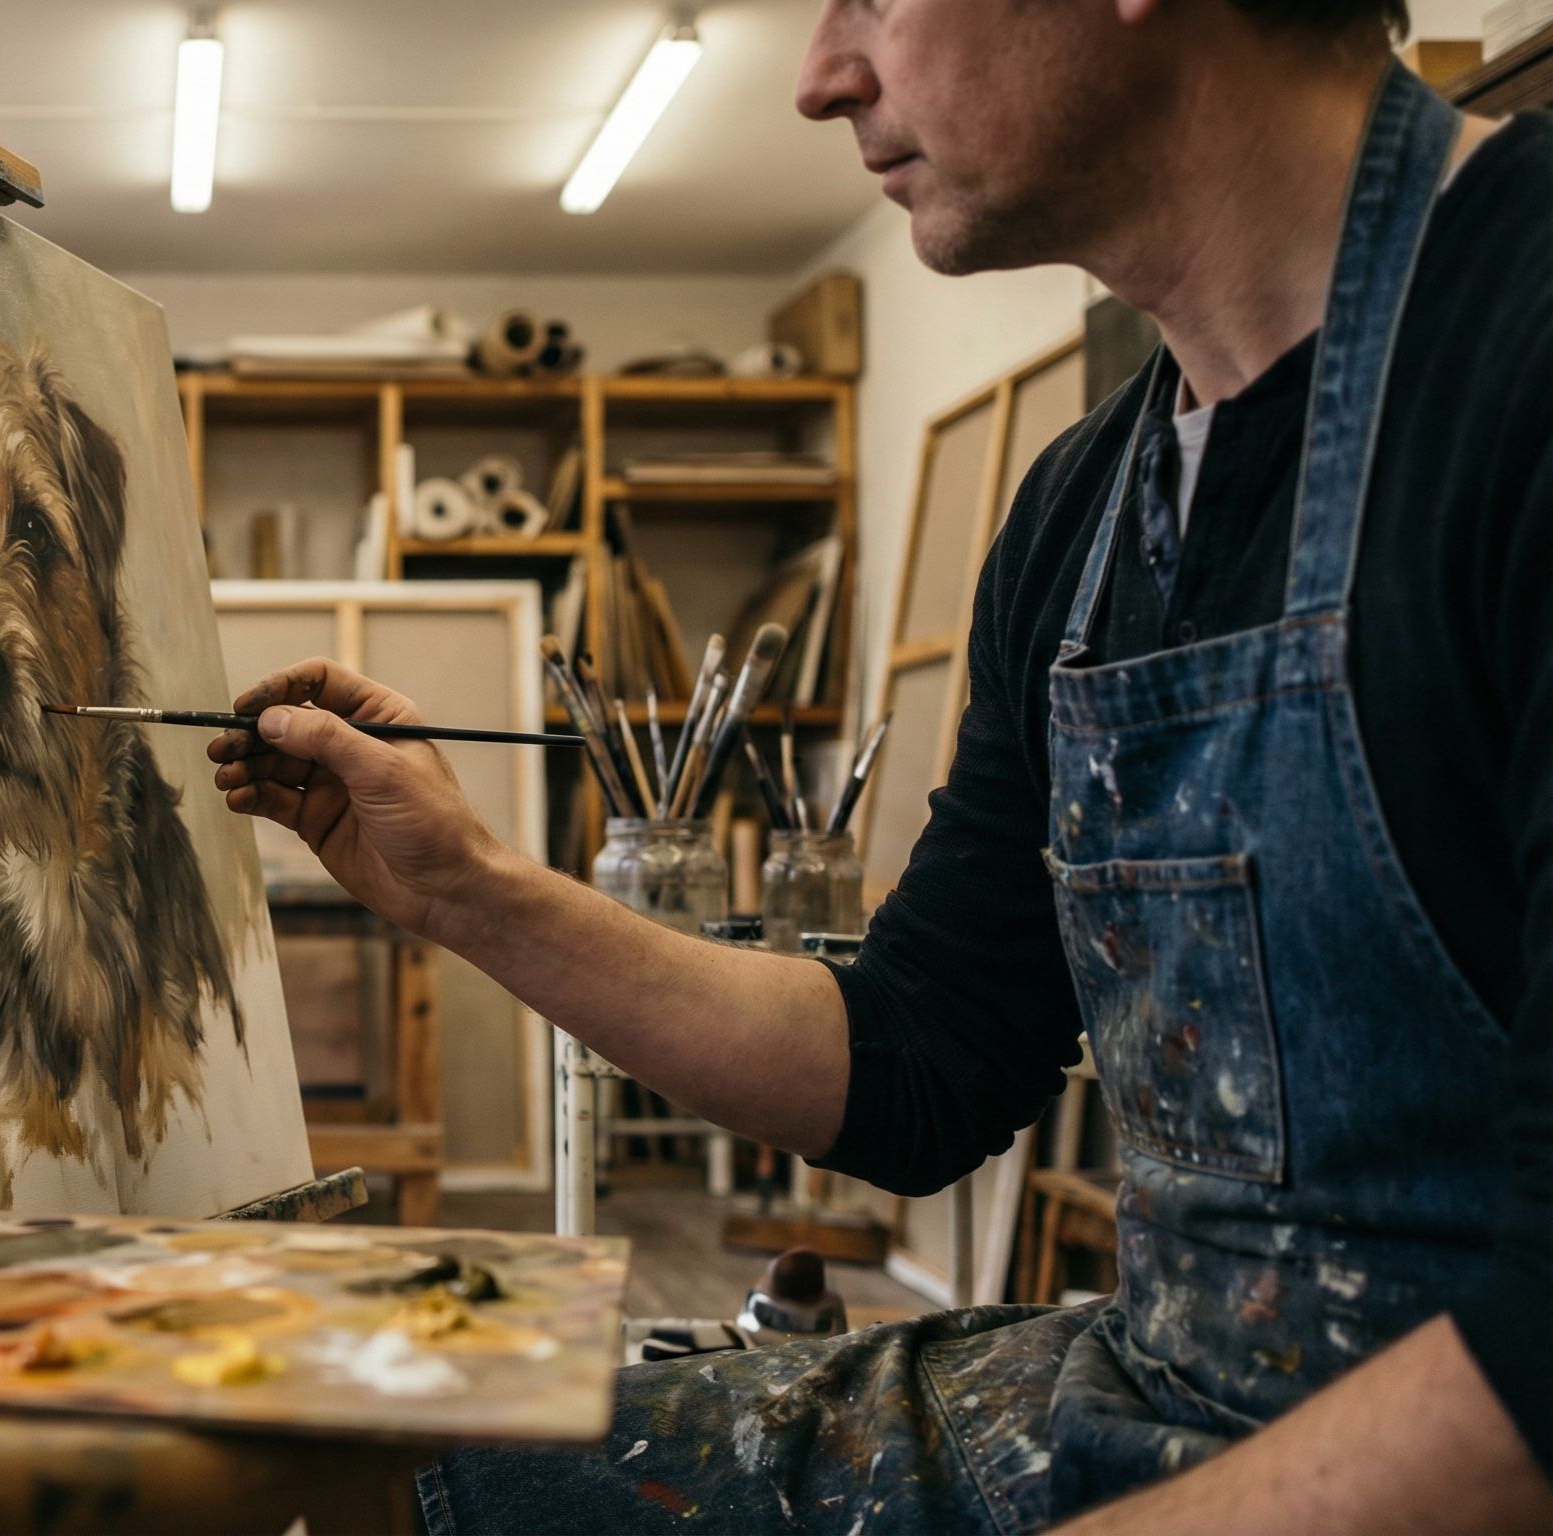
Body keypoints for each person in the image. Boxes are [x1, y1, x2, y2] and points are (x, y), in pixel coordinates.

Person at [208, 0, 1552, 1529]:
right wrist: (467, 891)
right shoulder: (1083, 509)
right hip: (1171, 1393)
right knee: (416, 1470)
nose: (818, 76)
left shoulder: (1522, 348)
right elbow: (924, 1058)